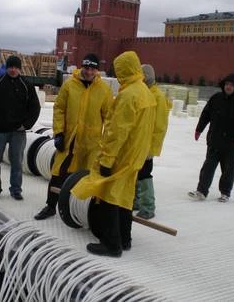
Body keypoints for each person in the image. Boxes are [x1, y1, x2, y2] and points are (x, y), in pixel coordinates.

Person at [71, 51, 156, 257]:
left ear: (124, 70)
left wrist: (107, 160)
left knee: (109, 198)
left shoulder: (128, 95)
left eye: (118, 71)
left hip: (121, 156)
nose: (117, 76)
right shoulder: (145, 92)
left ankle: (112, 244)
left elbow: (117, 132)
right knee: (125, 198)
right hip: (136, 156)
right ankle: (125, 239)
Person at [34, 53, 113, 220]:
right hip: (69, 141)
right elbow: (59, 109)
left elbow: (109, 118)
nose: (89, 72)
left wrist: (106, 143)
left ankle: (82, 211)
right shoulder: (70, 85)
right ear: (82, 67)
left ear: (96, 70)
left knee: (86, 177)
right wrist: (59, 133)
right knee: (58, 173)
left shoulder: (104, 90)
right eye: (86, 68)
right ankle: (50, 206)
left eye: (92, 69)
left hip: (91, 144)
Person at [0, 55, 41, 200]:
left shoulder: (26, 85)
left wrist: (26, 124)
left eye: (15, 67)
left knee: (17, 163)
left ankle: (16, 189)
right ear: (6, 68)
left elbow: (35, 107)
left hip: (17, 132)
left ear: (20, 68)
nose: (13, 70)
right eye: (10, 67)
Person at [188, 73, 234, 202]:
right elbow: (205, 114)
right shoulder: (216, 98)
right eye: (227, 84)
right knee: (208, 167)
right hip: (214, 140)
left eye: (231, 85)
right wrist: (199, 129)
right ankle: (201, 191)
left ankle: (225, 193)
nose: (228, 87)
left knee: (228, 170)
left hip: (231, 144)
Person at [133, 64, 170, 219]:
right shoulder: (143, 92)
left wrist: (151, 149)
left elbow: (160, 126)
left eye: (142, 76)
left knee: (145, 174)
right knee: (135, 172)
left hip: (147, 146)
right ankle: (136, 200)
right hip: (137, 143)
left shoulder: (158, 97)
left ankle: (148, 207)